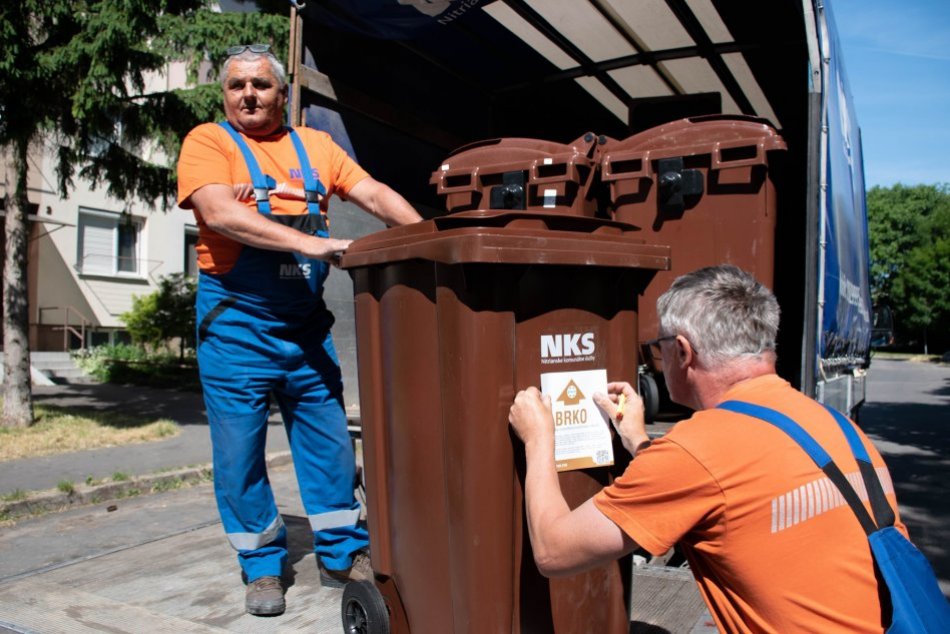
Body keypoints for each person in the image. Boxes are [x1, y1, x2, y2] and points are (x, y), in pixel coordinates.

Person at [508, 264, 907, 633]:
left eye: (658, 346)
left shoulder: (699, 451)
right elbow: (722, 490)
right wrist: (638, 439)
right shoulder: (836, 426)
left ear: (683, 351)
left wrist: (540, 439)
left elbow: (554, 552)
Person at [176, 44, 422, 616]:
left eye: (260, 85)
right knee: (239, 457)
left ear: (282, 94)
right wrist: (317, 244)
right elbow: (220, 213)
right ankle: (262, 566)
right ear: (225, 96)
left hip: (304, 329)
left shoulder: (315, 147)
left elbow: (375, 194)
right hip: (235, 326)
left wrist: (428, 238)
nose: (248, 95)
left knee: (330, 446)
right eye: (236, 86)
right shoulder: (208, 143)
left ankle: (341, 550)